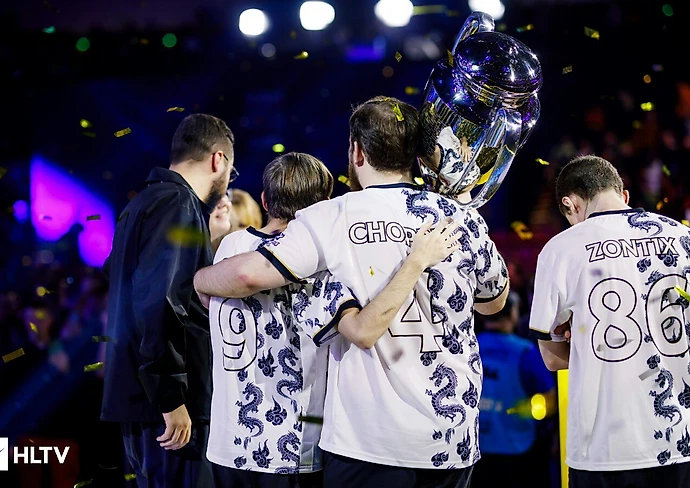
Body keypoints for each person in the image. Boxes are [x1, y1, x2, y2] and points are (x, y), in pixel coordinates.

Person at [194, 97, 509, 488]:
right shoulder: (462, 217)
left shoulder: (332, 216)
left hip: (370, 441)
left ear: (357, 151)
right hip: (451, 436)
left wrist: (200, 280)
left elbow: (247, 275)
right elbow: (494, 303)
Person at [530, 155, 690, 487]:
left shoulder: (562, 248)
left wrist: (584, 342)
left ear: (570, 204)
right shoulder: (681, 236)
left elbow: (551, 359)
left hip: (605, 448)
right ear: (624, 195)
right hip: (679, 440)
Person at [102, 113, 236, 488]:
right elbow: (158, 301)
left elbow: (116, 275)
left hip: (142, 401)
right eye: (231, 170)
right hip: (168, 408)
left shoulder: (141, 203)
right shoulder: (178, 203)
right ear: (218, 160)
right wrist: (170, 397)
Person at [472, 292, 556, 488]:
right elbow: (549, 401)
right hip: (516, 445)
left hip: (476, 446)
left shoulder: (470, 346)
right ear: (512, 315)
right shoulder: (524, 352)